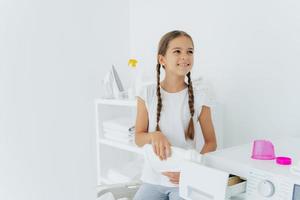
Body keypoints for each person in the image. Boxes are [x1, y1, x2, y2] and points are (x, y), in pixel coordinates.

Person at [133, 30, 217, 200]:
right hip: (152, 178)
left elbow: (211, 142)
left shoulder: (201, 96)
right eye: (177, 51)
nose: (185, 56)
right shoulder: (146, 93)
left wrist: (192, 171)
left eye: (190, 52)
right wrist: (154, 135)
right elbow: (138, 138)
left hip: (183, 179)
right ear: (162, 59)